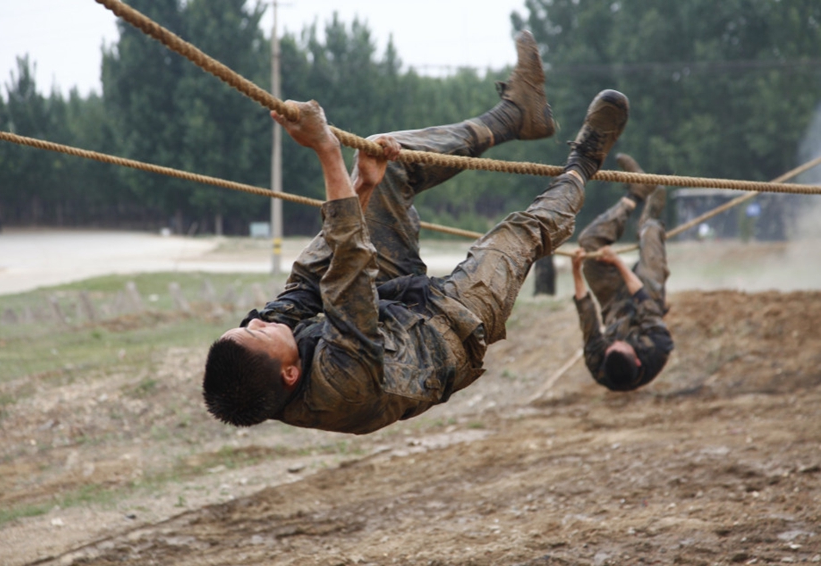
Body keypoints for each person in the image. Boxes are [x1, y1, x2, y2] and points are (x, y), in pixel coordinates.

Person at [203, 32, 630, 434]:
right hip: (449, 332)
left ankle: (516, 115)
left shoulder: (264, 358)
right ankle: (585, 161)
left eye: (248, 325)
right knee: (518, 235)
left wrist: (365, 185)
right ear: (290, 374)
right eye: (257, 332)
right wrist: (326, 150)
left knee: (383, 159)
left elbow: (313, 277)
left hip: (385, 301)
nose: (258, 320)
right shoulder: (340, 387)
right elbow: (347, 274)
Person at [570, 153, 673, 392]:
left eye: (611, 345)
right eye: (621, 345)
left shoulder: (597, 363)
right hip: (647, 303)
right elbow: (644, 303)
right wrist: (618, 263)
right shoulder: (657, 348)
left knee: (588, 242)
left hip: (613, 306)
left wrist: (576, 271)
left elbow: (588, 319)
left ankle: (637, 192)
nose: (615, 342)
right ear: (637, 358)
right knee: (650, 233)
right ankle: (650, 218)